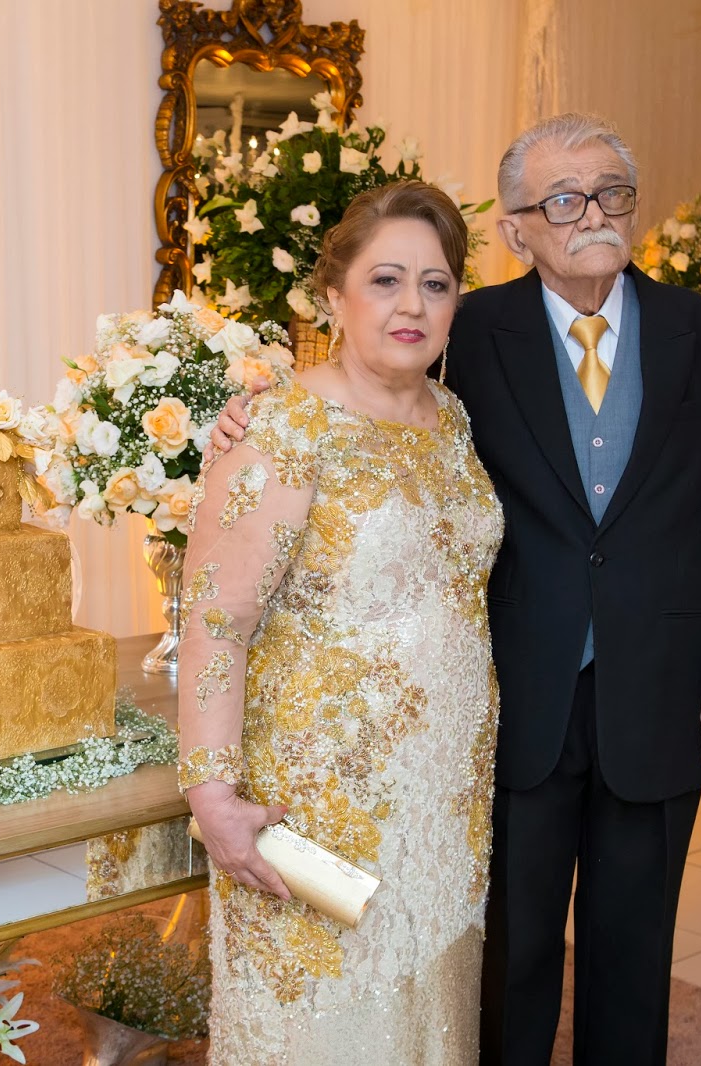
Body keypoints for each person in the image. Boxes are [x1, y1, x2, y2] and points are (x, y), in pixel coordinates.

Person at [210, 114, 701, 1064]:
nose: (593, 214)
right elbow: (363, 389)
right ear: (516, 230)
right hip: (513, 697)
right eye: (564, 199)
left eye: (612, 193)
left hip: (661, 688)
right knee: (508, 956)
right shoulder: (463, 329)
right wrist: (249, 411)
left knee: (636, 952)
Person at [181, 180, 502, 1064]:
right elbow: (217, 621)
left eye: (435, 285)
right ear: (333, 296)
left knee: (430, 1025)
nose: (412, 306)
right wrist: (212, 795)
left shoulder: (453, 420)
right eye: (385, 280)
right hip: (321, 798)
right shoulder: (283, 425)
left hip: (444, 802)